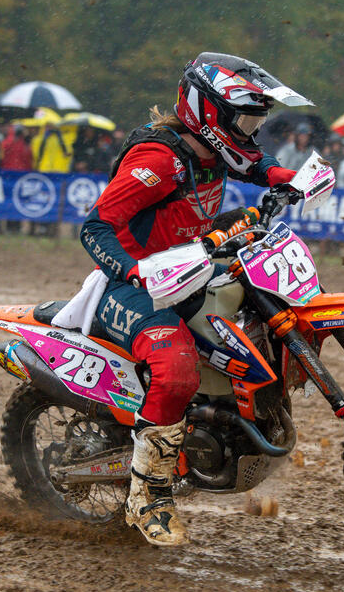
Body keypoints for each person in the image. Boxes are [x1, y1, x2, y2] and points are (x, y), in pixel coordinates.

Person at [80, 52, 305, 546]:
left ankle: (248, 412)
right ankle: (148, 498)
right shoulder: (159, 162)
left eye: (256, 123)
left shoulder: (216, 149)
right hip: (134, 286)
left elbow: (253, 163)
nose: (250, 133)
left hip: (193, 269)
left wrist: (282, 177)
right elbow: (95, 225)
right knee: (177, 366)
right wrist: (133, 270)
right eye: (244, 120)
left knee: (274, 301)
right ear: (210, 113)